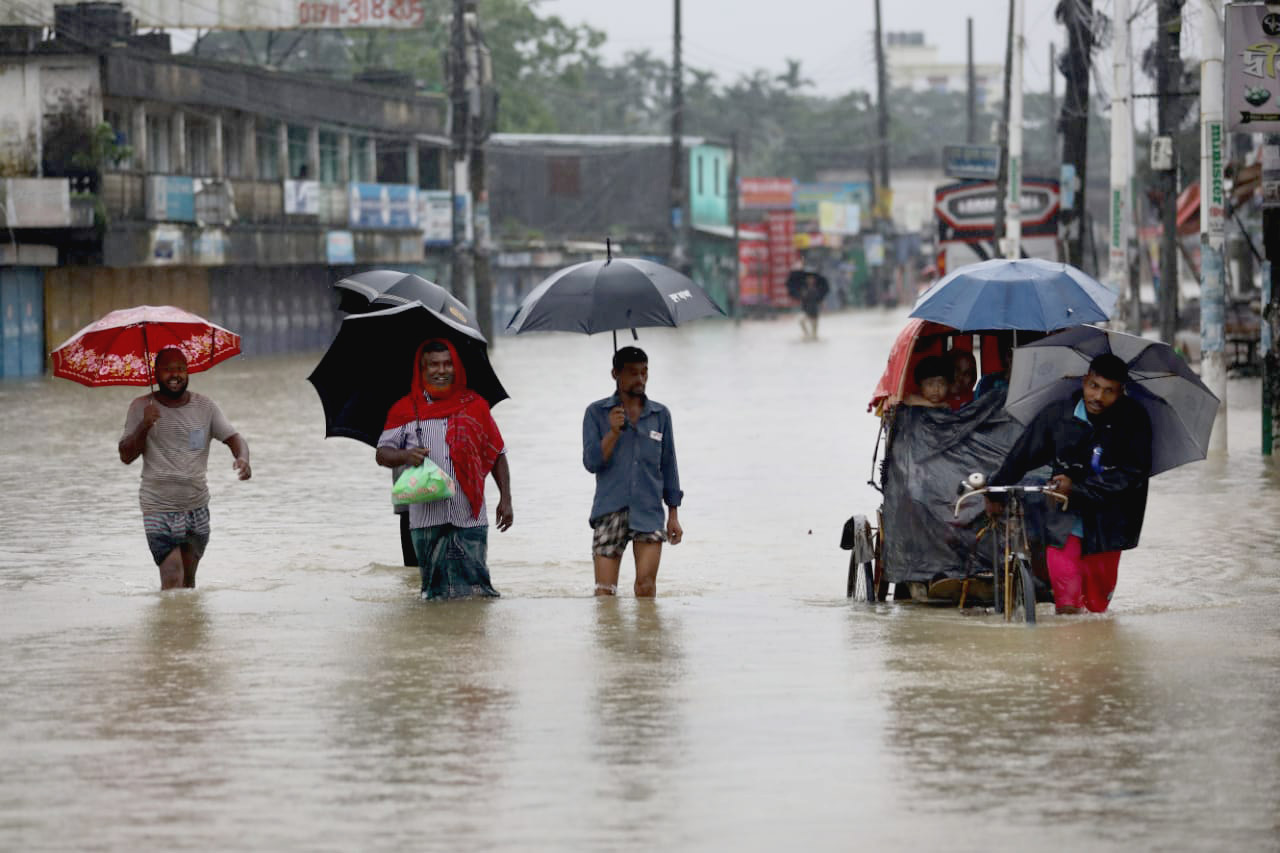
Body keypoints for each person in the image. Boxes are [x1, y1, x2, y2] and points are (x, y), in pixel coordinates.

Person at [985, 353, 1151, 614]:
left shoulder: (1134, 421)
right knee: (1067, 606)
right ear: (1085, 381)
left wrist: (1077, 489)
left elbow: (1131, 476)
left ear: (1121, 392)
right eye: (1094, 386)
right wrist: (995, 490)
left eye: (1109, 391)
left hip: (1108, 524)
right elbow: (1022, 454)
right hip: (1064, 519)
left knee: (1096, 609)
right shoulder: (1058, 415)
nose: (1098, 396)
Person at [376, 339, 513, 600]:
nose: (441, 370)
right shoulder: (405, 409)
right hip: (426, 519)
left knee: (478, 592)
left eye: (448, 364)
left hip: (469, 515)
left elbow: (497, 452)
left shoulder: (475, 405)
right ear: (422, 369)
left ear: (456, 367)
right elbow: (382, 453)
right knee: (433, 594)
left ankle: (471, 640)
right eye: (434, 365)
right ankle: (436, 640)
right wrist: (405, 455)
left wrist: (506, 498)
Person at [118, 346, 251, 590]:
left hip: (196, 506)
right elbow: (126, 455)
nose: (175, 374)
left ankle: (187, 627)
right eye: (168, 369)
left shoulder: (205, 407)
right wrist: (145, 425)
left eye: (180, 368)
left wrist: (243, 458)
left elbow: (234, 438)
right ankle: (168, 627)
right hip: (158, 507)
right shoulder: (141, 407)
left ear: (188, 371)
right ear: (156, 373)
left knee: (188, 584)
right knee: (171, 576)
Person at [582, 346, 683, 597]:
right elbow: (591, 463)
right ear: (615, 374)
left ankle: (646, 637)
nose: (640, 379)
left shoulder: (660, 415)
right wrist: (613, 432)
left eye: (644, 373)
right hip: (609, 510)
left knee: (646, 589)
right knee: (604, 594)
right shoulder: (596, 413)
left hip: (648, 511)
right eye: (632, 373)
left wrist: (673, 514)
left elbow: (669, 465)